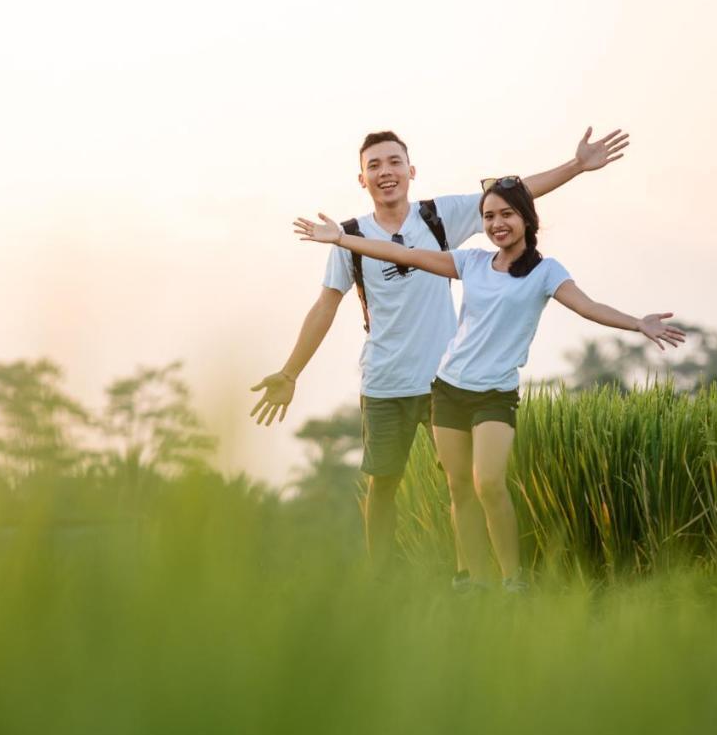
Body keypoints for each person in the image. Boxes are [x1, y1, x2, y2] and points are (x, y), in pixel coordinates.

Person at [251, 128, 630, 573]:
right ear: (362, 179)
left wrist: (576, 167)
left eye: (394, 162)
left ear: (410, 171)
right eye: (374, 165)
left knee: (465, 484)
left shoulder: (437, 217)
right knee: (383, 484)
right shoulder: (347, 237)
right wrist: (291, 372)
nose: (385, 172)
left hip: (448, 381)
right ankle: (382, 581)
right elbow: (324, 307)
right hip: (385, 380)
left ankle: (471, 575)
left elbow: (514, 195)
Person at [293, 176, 685, 591]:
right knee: (459, 486)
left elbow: (588, 307)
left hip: (495, 393)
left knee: (489, 482)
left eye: (507, 215)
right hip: (448, 388)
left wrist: (637, 323)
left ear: (527, 219)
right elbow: (398, 251)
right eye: (489, 217)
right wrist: (341, 239)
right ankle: (473, 583)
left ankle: (512, 580)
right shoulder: (472, 262)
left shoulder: (546, 272)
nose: (497, 224)